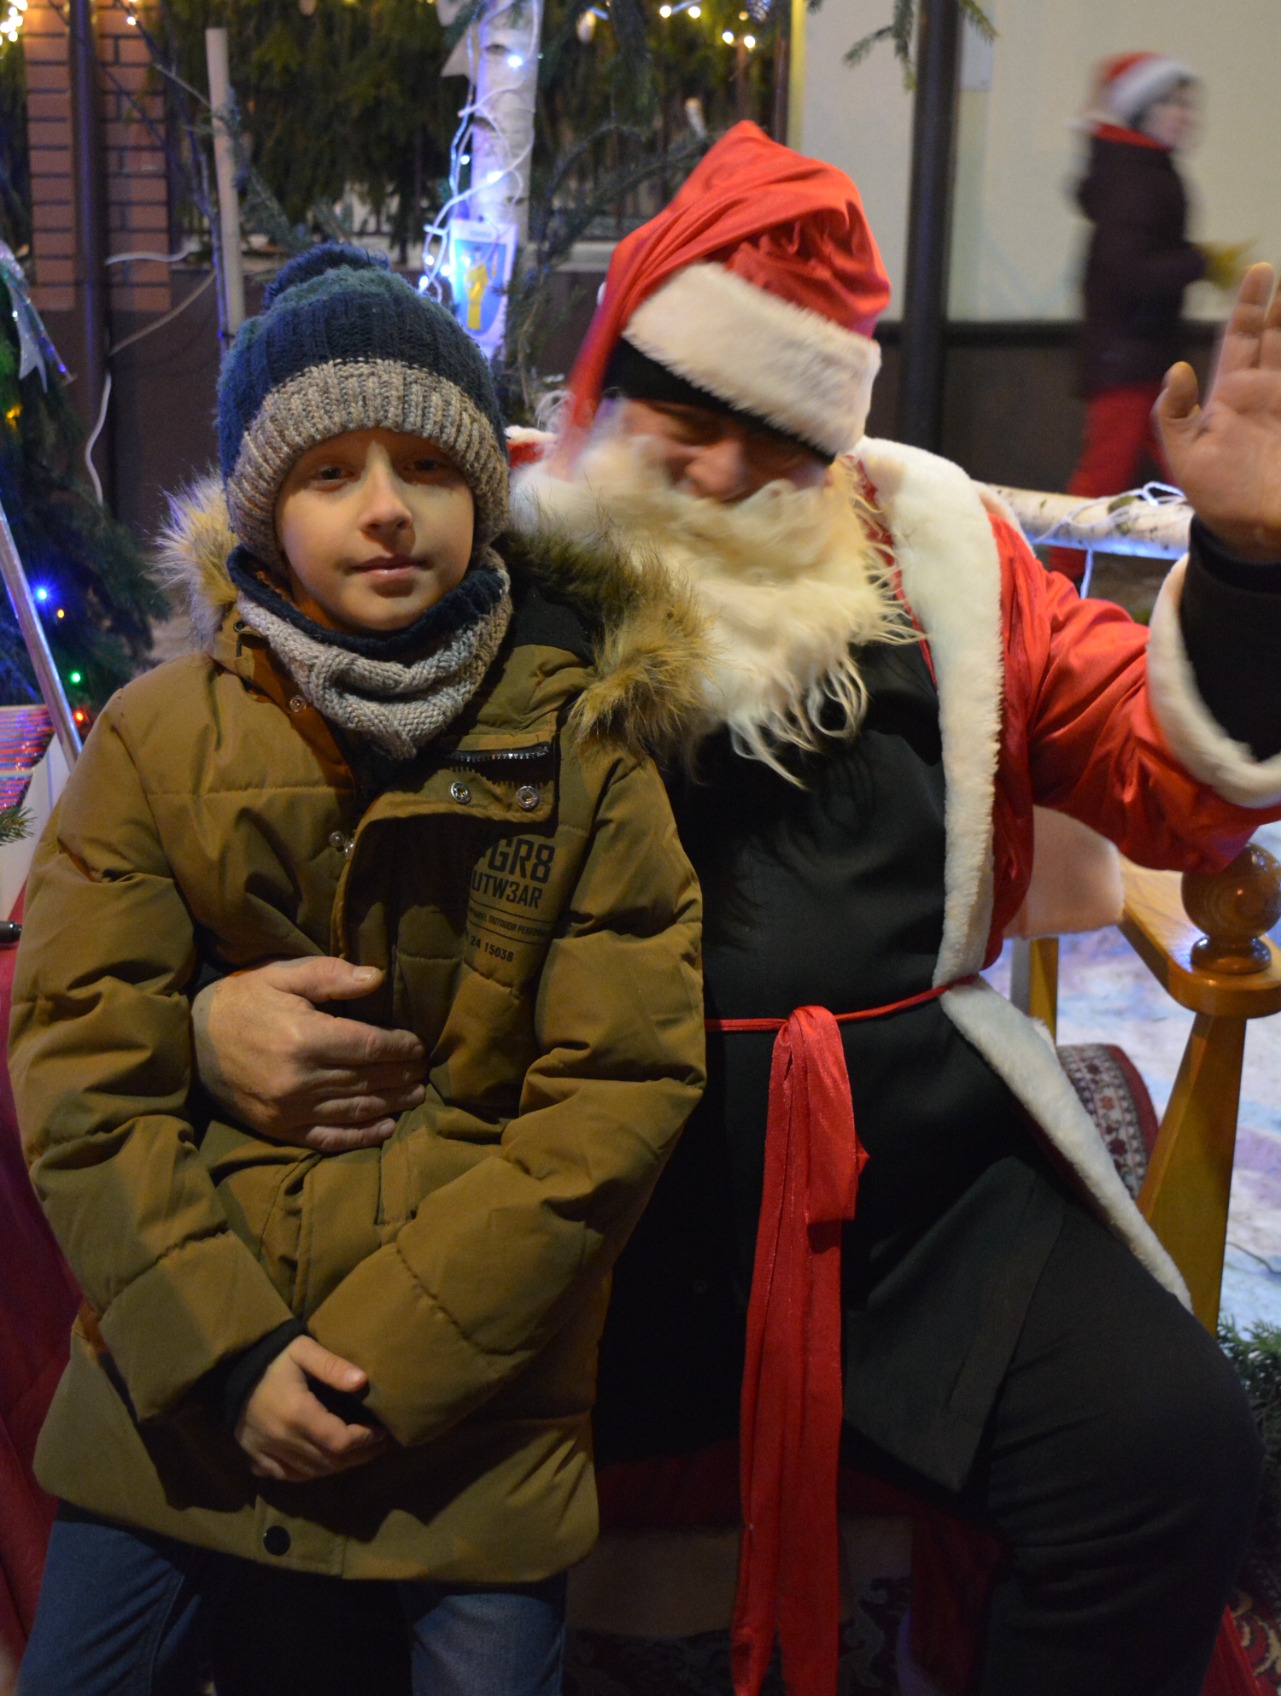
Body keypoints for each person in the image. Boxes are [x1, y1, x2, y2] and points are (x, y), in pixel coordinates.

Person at [191, 127, 1281, 1696]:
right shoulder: (471, 554)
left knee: (1168, 1451)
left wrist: (1243, 570)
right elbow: (237, 814)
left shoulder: (942, 560)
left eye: (774, 443)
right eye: (684, 420)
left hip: (910, 1195)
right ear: (610, 384)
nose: (714, 475)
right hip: (549, 1191)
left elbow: (1164, 777)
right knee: (301, 1468)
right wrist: (210, 1005)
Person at [8, 245, 705, 1696]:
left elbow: (613, 1098)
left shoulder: (586, 755)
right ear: (266, 511)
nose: (386, 508)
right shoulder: (157, 739)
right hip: (179, 1389)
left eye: (426, 466)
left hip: (470, 1414)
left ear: (482, 494)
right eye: (330, 473)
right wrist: (231, 1359)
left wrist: (380, 1369)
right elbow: (84, 1066)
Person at [1054, 51, 1244, 581]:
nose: (1185, 116)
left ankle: (1214, 576)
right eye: (1171, 103)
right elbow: (1130, 271)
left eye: (1188, 104)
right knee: (1110, 477)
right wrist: (1199, 261)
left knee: (1183, 471)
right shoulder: (1138, 177)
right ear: (1141, 112)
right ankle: (1058, 585)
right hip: (1129, 356)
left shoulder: (1138, 170)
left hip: (1138, 351)